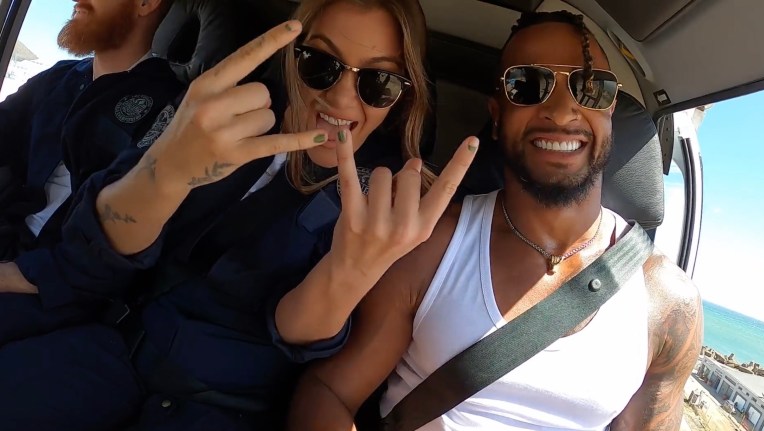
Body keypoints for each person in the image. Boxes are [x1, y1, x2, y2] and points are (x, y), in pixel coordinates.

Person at [0, 1, 477, 430]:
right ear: (291, 56)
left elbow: (293, 335)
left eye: (379, 81)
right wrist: (165, 175)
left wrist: (348, 273)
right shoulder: (214, 116)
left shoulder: (392, 201)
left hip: (216, 406)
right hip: (101, 348)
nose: (342, 97)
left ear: (403, 94)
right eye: (320, 64)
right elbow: (97, 251)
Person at [287, 10, 703, 431]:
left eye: (589, 88)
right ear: (497, 115)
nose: (563, 112)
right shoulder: (431, 244)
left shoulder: (668, 301)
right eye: (527, 85)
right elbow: (329, 391)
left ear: (610, 109)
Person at [0, 0, 182, 340]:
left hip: (60, 294)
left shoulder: (171, 109)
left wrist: (15, 274)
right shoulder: (60, 78)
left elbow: (114, 249)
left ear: (146, 3)